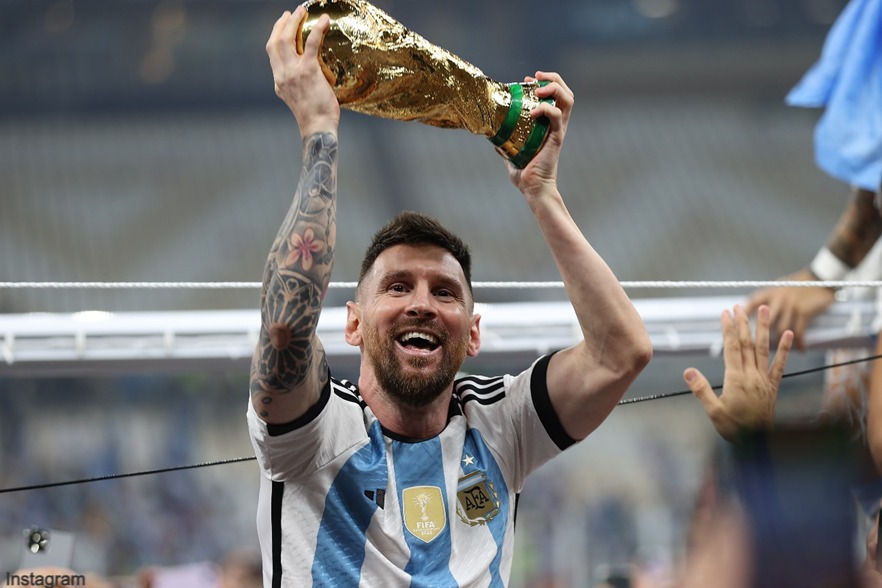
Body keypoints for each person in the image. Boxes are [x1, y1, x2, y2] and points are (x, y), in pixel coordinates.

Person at [246, 7, 652, 587]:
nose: (422, 303)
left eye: (445, 292)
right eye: (397, 286)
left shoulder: (499, 425)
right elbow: (285, 326)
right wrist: (319, 132)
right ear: (354, 325)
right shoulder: (315, 429)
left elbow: (622, 354)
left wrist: (542, 194)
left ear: (473, 333)